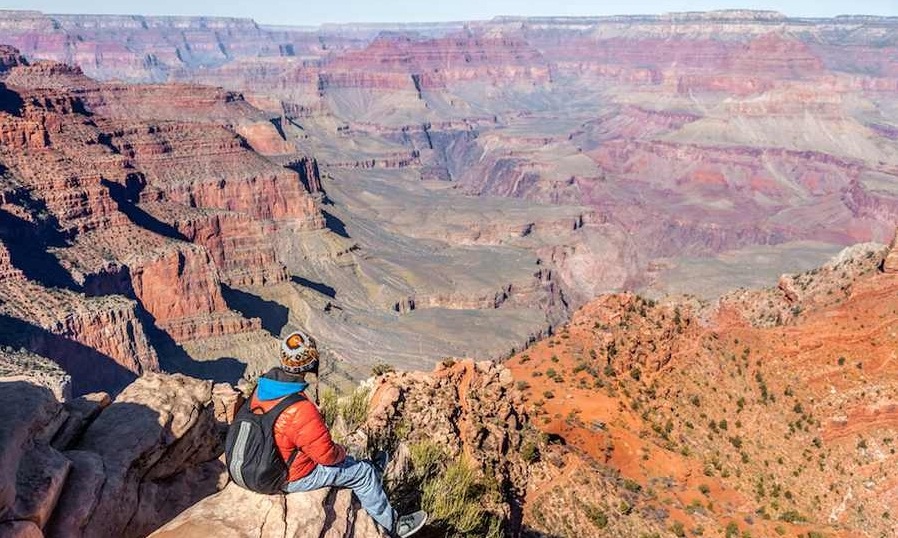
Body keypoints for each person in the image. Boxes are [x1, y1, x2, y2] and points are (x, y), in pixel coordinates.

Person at [250, 330, 427, 538]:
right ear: (310, 363)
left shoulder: (263, 387)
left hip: (258, 465)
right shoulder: (300, 407)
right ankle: (394, 525)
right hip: (289, 476)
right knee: (362, 473)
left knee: (350, 459)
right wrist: (343, 452)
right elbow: (327, 456)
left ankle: (372, 470)